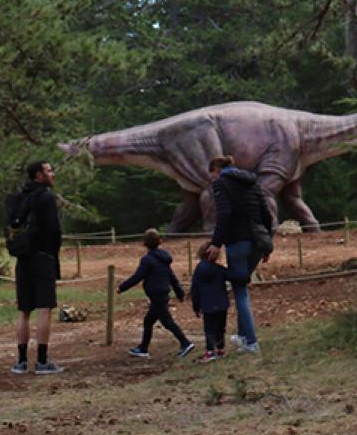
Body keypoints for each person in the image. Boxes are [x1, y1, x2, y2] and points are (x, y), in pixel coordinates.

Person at [205, 155, 273, 354]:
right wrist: (268, 243)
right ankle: (243, 336)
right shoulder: (252, 183)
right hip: (257, 242)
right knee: (241, 284)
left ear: (216, 169)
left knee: (240, 291)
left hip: (238, 242)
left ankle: (251, 342)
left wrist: (216, 243)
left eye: (212, 175)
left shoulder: (221, 185)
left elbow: (224, 215)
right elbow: (266, 213)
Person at [10, 160, 64, 375]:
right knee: (44, 308)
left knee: (24, 310)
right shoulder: (47, 198)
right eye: (49, 171)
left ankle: (21, 361)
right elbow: (54, 230)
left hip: (23, 257)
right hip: (43, 257)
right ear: (39, 176)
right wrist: (52, 252)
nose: (53, 174)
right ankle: (42, 361)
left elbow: (11, 225)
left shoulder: (19, 197)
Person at [117, 228, 194, 360]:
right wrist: (179, 292)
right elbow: (172, 276)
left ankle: (185, 343)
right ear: (160, 241)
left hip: (157, 295)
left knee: (167, 321)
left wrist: (122, 287)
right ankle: (143, 348)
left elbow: (138, 276)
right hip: (162, 293)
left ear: (144, 243)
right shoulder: (164, 259)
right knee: (148, 321)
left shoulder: (147, 260)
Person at [191, 240, 231, 362]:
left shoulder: (199, 270)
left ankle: (210, 351)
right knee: (221, 327)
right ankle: (220, 348)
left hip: (207, 305)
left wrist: (196, 306)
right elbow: (231, 276)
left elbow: (195, 289)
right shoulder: (220, 270)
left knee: (209, 329)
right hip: (222, 304)